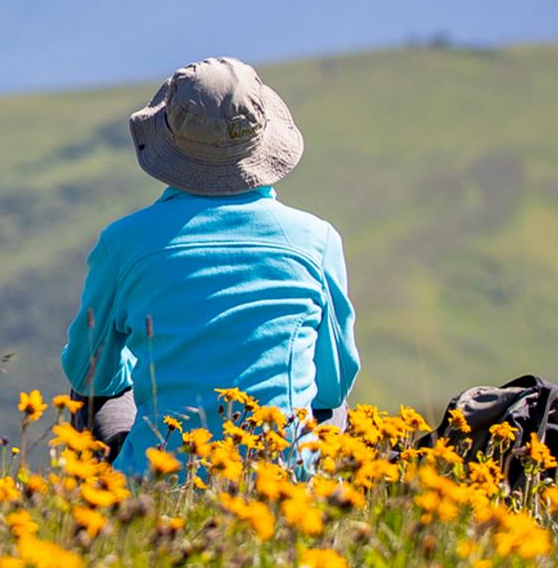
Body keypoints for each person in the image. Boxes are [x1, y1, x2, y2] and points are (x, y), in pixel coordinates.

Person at [61, 56, 359, 474]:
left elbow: (89, 373)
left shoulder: (124, 242)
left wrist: (138, 364)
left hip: (158, 477)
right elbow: (333, 383)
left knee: (95, 392)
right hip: (280, 480)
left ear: (169, 139)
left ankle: (105, 510)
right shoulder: (317, 240)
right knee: (332, 404)